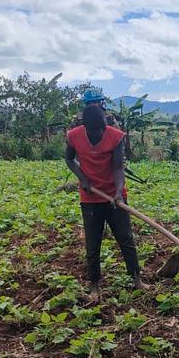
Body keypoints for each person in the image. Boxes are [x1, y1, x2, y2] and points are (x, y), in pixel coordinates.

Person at [66, 103, 141, 299]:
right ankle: (94, 285)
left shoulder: (115, 136)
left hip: (113, 194)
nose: (99, 133)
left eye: (102, 128)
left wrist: (117, 192)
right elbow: (69, 159)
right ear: (86, 127)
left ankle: (137, 279)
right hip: (90, 197)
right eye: (95, 130)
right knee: (93, 242)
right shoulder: (74, 136)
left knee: (125, 238)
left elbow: (118, 167)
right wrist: (82, 178)